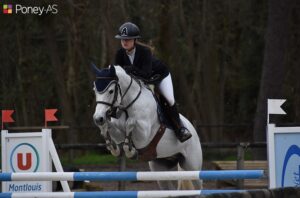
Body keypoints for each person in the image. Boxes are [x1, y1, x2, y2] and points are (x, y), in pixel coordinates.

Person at [114, 22, 192, 143]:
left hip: (159, 77)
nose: (124, 42)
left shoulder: (144, 52)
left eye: (128, 39)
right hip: (140, 81)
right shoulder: (119, 54)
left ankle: (180, 129)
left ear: (134, 40)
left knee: (169, 100)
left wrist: (129, 69)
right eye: (122, 39)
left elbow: (145, 74)